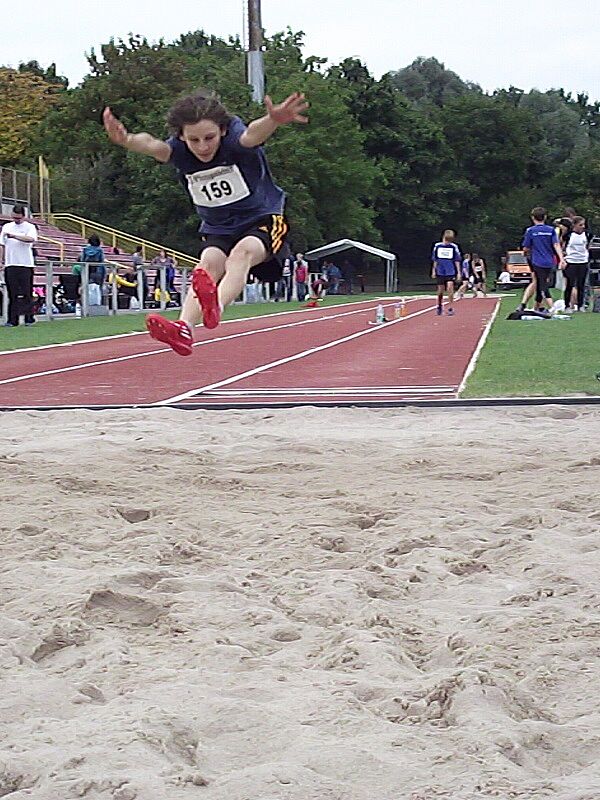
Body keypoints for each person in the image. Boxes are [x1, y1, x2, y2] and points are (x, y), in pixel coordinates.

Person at [103, 89, 308, 356]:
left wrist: (273, 120)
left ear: (222, 130)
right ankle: (184, 328)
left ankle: (215, 307)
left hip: (262, 219)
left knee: (241, 254)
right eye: (194, 140)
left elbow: (253, 134)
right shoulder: (178, 150)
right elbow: (152, 145)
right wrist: (127, 140)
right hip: (219, 226)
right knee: (207, 264)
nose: (203, 147)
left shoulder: (235, 140)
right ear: (181, 136)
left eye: (209, 138)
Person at [517, 207, 565, 314]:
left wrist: (525, 252)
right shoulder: (551, 230)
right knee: (540, 283)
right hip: (549, 261)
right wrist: (561, 259)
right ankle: (537, 307)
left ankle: (551, 307)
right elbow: (556, 244)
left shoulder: (530, 231)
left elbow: (526, 247)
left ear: (533, 218)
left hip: (537, 261)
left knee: (542, 285)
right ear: (545, 217)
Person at [0, 205, 38, 327]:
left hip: (26, 264)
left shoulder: (30, 227)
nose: (16, 220)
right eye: (14, 217)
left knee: (27, 292)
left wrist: (15, 236)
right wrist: (2, 261)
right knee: (12, 293)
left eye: (18, 218)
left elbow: (30, 239)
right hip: (11, 264)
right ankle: (12, 319)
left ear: (23, 216)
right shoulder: (6, 227)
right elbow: (2, 245)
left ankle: (29, 318)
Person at [431, 229, 461, 316]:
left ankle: (450, 307)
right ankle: (439, 305)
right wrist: (433, 270)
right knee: (440, 290)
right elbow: (435, 260)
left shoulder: (454, 247)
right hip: (440, 271)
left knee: (450, 288)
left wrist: (459, 272)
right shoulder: (437, 246)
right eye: (447, 240)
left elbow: (457, 260)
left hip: (450, 271)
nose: (448, 242)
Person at [563, 215, 589, 312]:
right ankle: (567, 305)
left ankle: (581, 305)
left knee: (581, 284)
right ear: (574, 225)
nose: (583, 227)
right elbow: (563, 245)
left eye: (583, 224)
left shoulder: (587, 234)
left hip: (583, 261)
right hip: (571, 261)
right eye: (580, 225)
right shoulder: (569, 235)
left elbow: (587, 246)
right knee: (570, 284)